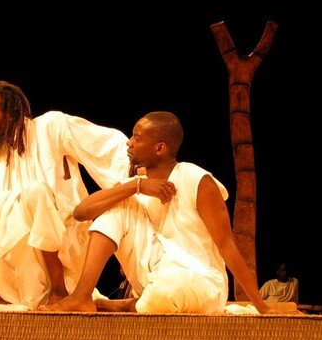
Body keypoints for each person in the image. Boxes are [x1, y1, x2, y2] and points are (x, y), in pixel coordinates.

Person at [39, 111, 269, 314]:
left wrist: (261, 306)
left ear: (160, 148)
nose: (129, 143)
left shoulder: (196, 179)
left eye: (137, 138)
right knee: (119, 205)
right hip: (155, 276)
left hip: (200, 282)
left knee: (167, 290)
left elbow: (227, 245)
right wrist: (135, 186)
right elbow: (81, 212)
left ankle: (127, 305)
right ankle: (81, 296)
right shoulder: (136, 185)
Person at [0, 80, 129, 310]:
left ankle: (58, 290)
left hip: (62, 241)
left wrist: (135, 172)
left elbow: (105, 146)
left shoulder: (51, 126)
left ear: (11, 113)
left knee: (34, 191)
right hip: (16, 252)